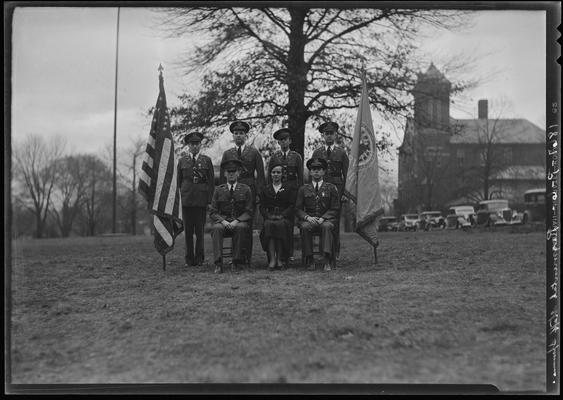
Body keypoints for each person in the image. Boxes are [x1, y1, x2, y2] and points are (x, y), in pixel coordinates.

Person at [209, 158, 254, 274]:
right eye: (229, 172)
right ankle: (218, 263)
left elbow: (249, 211)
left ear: (238, 173)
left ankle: (236, 261)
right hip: (223, 222)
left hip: (238, 221)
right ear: (224, 174)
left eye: (234, 171)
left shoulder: (246, 189)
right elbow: (213, 212)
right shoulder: (218, 190)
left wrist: (236, 221)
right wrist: (223, 221)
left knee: (241, 227)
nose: (231, 174)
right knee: (216, 228)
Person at [311, 121, 349, 258]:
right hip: (321, 189)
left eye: (331, 134)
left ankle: (335, 251)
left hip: (337, 189)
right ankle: (323, 250)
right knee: (320, 218)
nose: (329, 136)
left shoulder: (341, 152)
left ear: (336, 135)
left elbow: (347, 174)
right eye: (326, 134)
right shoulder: (317, 152)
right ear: (323, 135)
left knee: (335, 221)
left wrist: (345, 193)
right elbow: (313, 172)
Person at [177, 131, 214, 267]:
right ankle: (189, 259)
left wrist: (209, 201)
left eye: (197, 144)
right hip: (186, 200)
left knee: (199, 232)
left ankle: (199, 258)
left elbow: (211, 183)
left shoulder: (206, 160)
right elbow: (178, 182)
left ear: (200, 145)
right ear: (188, 145)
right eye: (192, 144)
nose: (195, 146)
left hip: (201, 200)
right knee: (187, 232)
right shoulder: (182, 161)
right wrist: (179, 201)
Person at [295, 157, 340, 272]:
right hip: (309, 220)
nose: (316, 171)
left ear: (324, 171)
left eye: (319, 169)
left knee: (327, 226)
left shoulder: (331, 188)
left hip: (325, 220)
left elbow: (335, 208)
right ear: (310, 172)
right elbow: (298, 209)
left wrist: (324, 218)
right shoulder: (303, 189)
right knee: (304, 227)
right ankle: (309, 259)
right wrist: (307, 217)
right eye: (313, 169)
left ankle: (327, 259)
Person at [267, 127, 303, 260]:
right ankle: (277, 252)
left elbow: (300, 177)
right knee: (278, 222)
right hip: (278, 194)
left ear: (290, 141)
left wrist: (299, 195)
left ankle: (290, 253)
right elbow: (269, 177)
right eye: (280, 140)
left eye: (285, 140)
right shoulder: (274, 157)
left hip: (292, 193)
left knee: (290, 223)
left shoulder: (296, 157)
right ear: (278, 143)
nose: (283, 142)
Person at [259, 161, 296, 271]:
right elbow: (261, 207)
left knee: (280, 226)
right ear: (270, 174)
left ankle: (280, 259)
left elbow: (291, 205)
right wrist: (268, 216)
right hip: (270, 217)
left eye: (278, 172)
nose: (276, 174)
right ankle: (272, 259)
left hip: (283, 218)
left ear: (282, 174)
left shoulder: (288, 188)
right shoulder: (265, 189)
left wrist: (283, 215)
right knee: (269, 225)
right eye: (273, 172)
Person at [220, 120, 265, 207]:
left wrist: (259, 193)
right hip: (232, 189)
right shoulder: (227, 154)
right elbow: (223, 176)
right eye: (236, 133)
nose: (238, 135)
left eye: (241, 133)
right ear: (233, 136)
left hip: (250, 189)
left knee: (249, 215)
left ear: (246, 136)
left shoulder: (254, 153)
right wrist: (223, 193)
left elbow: (261, 175)